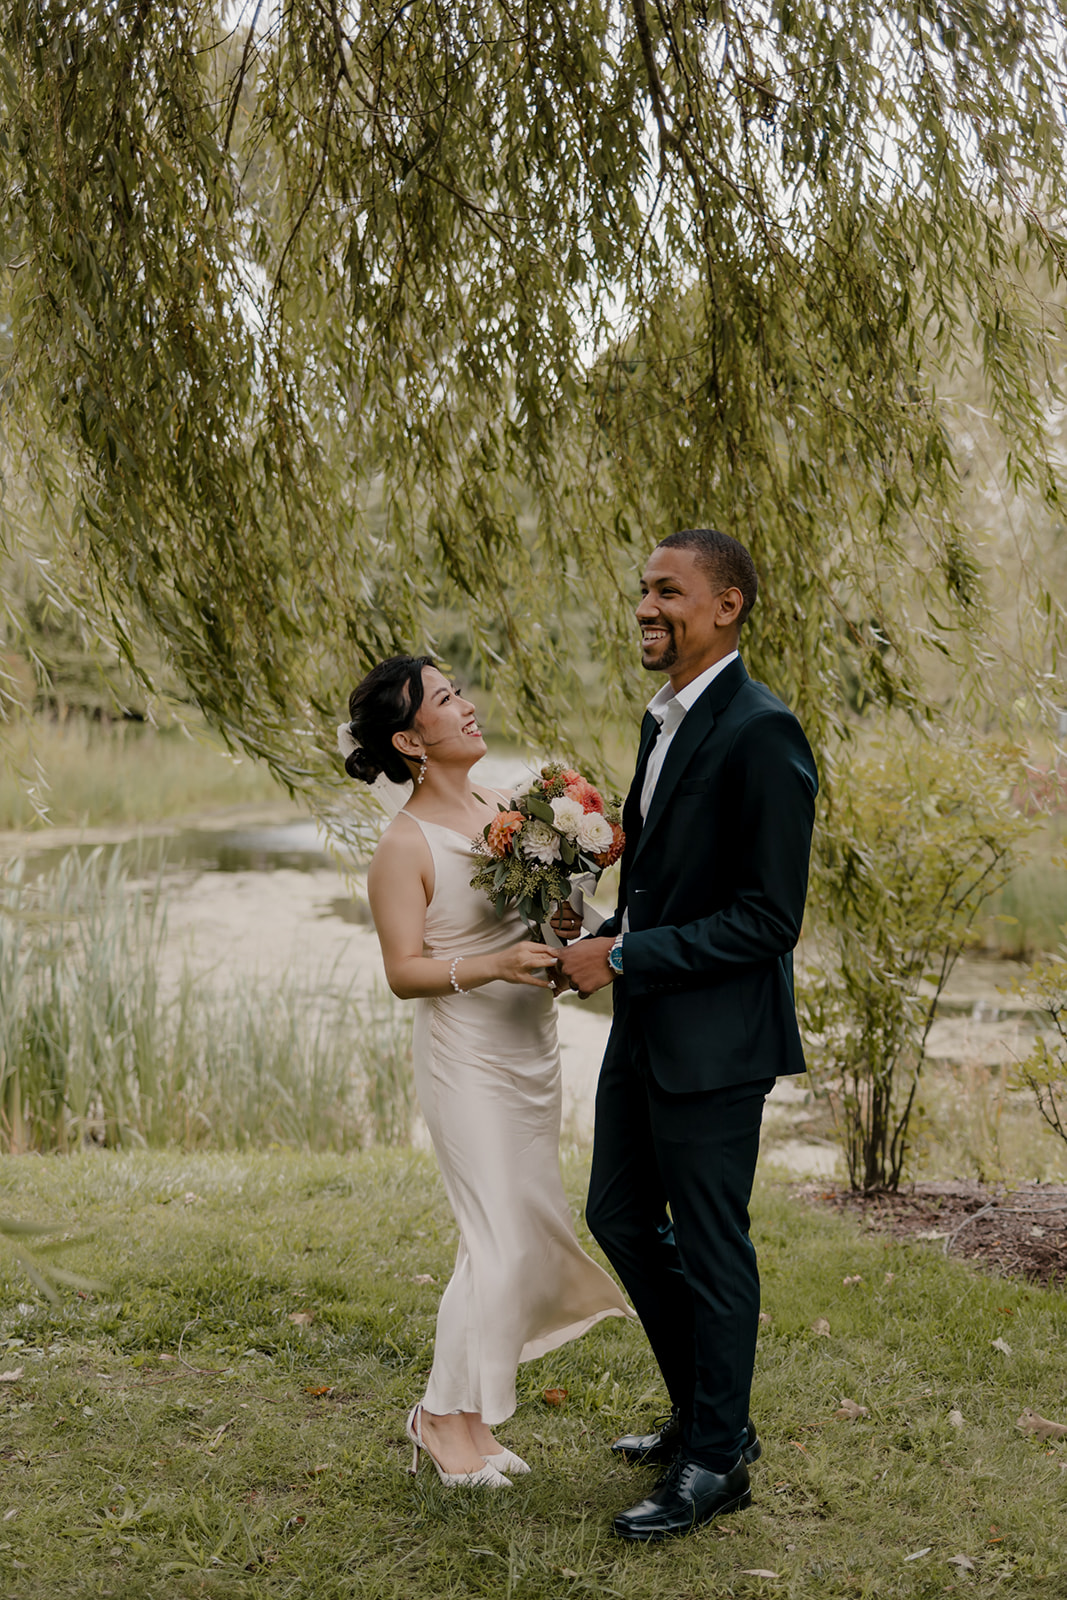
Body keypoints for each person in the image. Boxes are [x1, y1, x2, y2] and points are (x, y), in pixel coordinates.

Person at [557, 528, 818, 1542]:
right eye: (642, 590)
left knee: (712, 1245)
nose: (645, 607)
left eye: (667, 590)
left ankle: (715, 1461)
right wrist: (598, 935)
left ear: (727, 605)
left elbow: (767, 918)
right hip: (645, 1024)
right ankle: (711, 1416)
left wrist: (622, 958)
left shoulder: (763, 731)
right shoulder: (657, 723)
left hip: (715, 1041)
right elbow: (661, 888)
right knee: (618, 1214)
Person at [342, 655, 631, 1490]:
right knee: (498, 1236)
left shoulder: (509, 812)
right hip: (464, 1053)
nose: (466, 706)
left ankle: (465, 1421)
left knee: (501, 1238)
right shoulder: (404, 845)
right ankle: (437, 1420)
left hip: (528, 1047)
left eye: (459, 691)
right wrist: (495, 965)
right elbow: (404, 970)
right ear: (408, 740)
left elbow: (545, 914)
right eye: (443, 701)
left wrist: (570, 914)